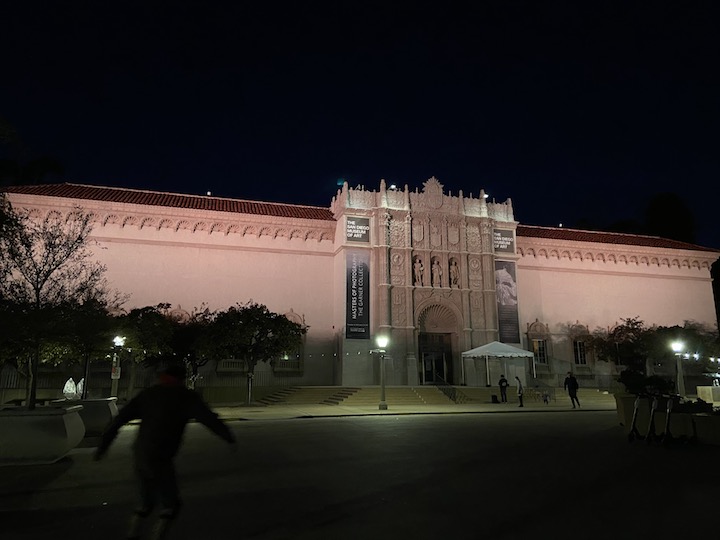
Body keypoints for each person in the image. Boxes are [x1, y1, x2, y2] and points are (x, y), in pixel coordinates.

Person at [94, 363, 237, 540]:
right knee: (171, 504)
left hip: (141, 453)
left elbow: (119, 420)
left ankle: (133, 533)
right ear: (181, 378)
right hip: (161, 456)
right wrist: (228, 437)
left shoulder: (149, 394)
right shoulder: (185, 397)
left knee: (146, 502)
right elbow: (209, 419)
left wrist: (103, 446)